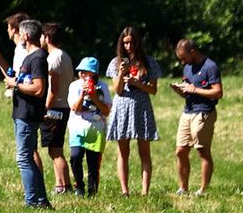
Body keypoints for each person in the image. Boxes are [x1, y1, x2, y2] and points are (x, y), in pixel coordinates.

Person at [0, 18, 51, 207]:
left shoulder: (37, 58)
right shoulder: (30, 57)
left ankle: (31, 201)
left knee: (24, 158)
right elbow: (15, 78)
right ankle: (41, 200)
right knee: (28, 157)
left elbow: (39, 89)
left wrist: (15, 84)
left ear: (25, 35)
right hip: (23, 113)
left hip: (28, 114)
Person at [105, 26, 158, 195]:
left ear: (137, 43)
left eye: (131, 42)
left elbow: (153, 90)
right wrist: (121, 74)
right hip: (122, 107)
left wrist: (137, 83)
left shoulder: (148, 62)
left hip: (142, 107)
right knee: (123, 151)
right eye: (125, 43)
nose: (128, 46)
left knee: (144, 151)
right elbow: (118, 90)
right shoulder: (116, 63)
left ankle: (145, 191)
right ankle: (124, 190)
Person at [170, 37, 221, 195]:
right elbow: (189, 92)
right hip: (188, 111)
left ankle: (203, 190)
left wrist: (195, 90)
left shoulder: (210, 67)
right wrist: (180, 91)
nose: (182, 62)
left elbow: (218, 92)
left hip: (204, 112)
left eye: (184, 58)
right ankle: (183, 188)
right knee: (180, 150)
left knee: (202, 150)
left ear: (192, 51)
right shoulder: (187, 68)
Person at [65, 57, 112, 197]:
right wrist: (83, 94)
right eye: (81, 71)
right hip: (77, 128)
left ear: (94, 74)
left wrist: (94, 96)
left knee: (93, 163)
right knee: (75, 157)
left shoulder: (103, 87)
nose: (83, 75)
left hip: (96, 129)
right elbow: (75, 108)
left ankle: (93, 191)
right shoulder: (74, 86)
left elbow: (106, 111)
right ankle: (79, 185)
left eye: (87, 72)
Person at [38, 24, 74, 194]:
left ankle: (65, 186)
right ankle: (60, 185)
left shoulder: (53, 58)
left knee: (55, 151)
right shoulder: (64, 55)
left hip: (55, 107)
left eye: (42, 36)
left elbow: (53, 88)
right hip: (63, 106)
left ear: (47, 38)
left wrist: (45, 107)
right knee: (55, 148)